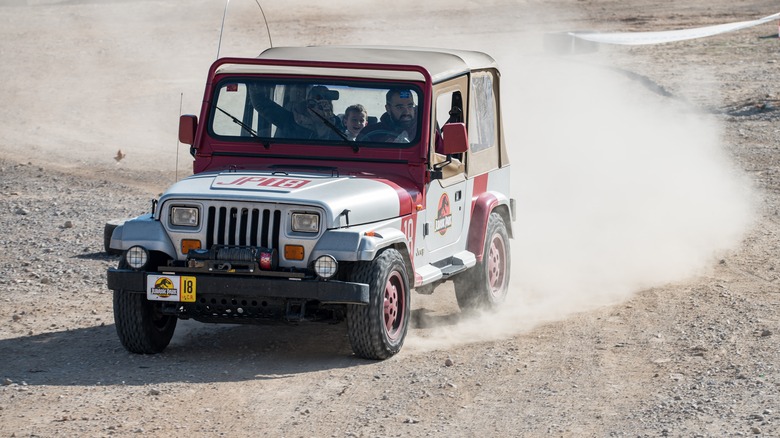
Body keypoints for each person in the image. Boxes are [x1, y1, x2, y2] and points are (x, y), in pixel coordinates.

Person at [249, 84, 346, 140]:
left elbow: (346, 148)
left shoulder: (336, 124)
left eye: (324, 103)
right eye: (313, 103)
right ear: (308, 103)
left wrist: (325, 121)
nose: (318, 106)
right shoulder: (291, 120)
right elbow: (261, 104)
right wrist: (253, 83)